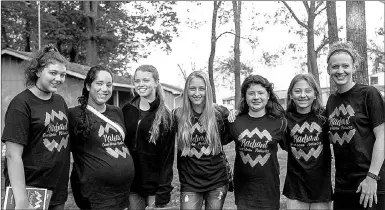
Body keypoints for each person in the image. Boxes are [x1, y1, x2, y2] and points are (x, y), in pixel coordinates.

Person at [2, 44, 70, 210]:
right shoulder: (21, 104)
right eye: (53, 73)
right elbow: (12, 155)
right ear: (38, 72)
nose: (58, 79)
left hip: (56, 190)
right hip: (30, 190)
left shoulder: (60, 101)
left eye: (62, 74)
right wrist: (21, 199)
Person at [325, 41, 385, 210]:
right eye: (335, 66)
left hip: (370, 182)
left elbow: (382, 136)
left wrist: (372, 177)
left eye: (345, 66)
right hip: (343, 185)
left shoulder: (369, 94)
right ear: (328, 69)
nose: (340, 71)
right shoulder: (331, 100)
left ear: (354, 67)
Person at [69, 66, 134, 210]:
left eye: (109, 85)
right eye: (99, 83)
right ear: (88, 86)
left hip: (122, 194)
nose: (105, 89)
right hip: (95, 196)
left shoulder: (116, 112)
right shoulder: (74, 115)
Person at [226, 75, 286, 210]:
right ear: (245, 96)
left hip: (269, 189)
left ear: (268, 95)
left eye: (260, 93)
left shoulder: (279, 122)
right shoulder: (235, 121)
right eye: (251, 93)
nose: (256, 97)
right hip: (243, 191)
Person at [173, 71, 230, 210]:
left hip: (217, 181)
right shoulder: (177, 116)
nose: (197, 93)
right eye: (192, 89)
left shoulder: (220, 114)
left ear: (208, 91)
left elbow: (240, 124)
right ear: (186, 91)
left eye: (201, 88)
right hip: (190, 183)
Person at [122, 65, 175, 209]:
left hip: (155, 188)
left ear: (156, 82)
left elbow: (167, 158)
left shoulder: (166, 116)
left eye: (146, 80)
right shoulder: (127, 110)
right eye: (137, 81)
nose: (141, 84)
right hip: (132, 185)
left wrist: (163, 191)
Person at [282, 73, 332, 209]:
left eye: (308, 91)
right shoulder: (284, 120)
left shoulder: (325, 117)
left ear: (315, 94)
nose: (303, 95)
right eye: (297, 91)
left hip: (321, 186)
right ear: (291, 95)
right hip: (295, 186)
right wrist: (239, 111)